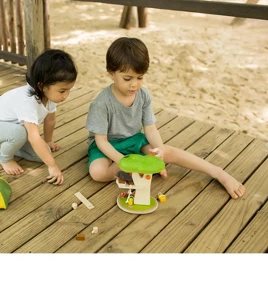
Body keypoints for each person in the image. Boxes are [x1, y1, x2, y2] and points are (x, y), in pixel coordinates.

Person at [85, 37, 245, 199]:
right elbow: (101, 141)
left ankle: (217, 172)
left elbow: (150, 128)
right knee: (98, 172)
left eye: (140, 78)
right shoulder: (101, 103)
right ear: (111, 73)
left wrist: (159, 149)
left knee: (166, 152)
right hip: (107, 146)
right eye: (128, 79)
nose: (134, 84)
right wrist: (123, 161)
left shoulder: (143, 95)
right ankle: (138, 168)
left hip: (133, 140)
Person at [0, 49, 77, 185]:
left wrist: (48, 141)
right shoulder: (28, 101)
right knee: (19, 134)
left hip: (17, 131)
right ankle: (5, 158)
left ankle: (2, 148)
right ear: (42, 86)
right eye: (62, 91)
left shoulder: (49, 97)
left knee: (42, 154)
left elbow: (50, 120)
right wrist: (52, 166)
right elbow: (33, 137)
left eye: (68, 90)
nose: (65, 96)